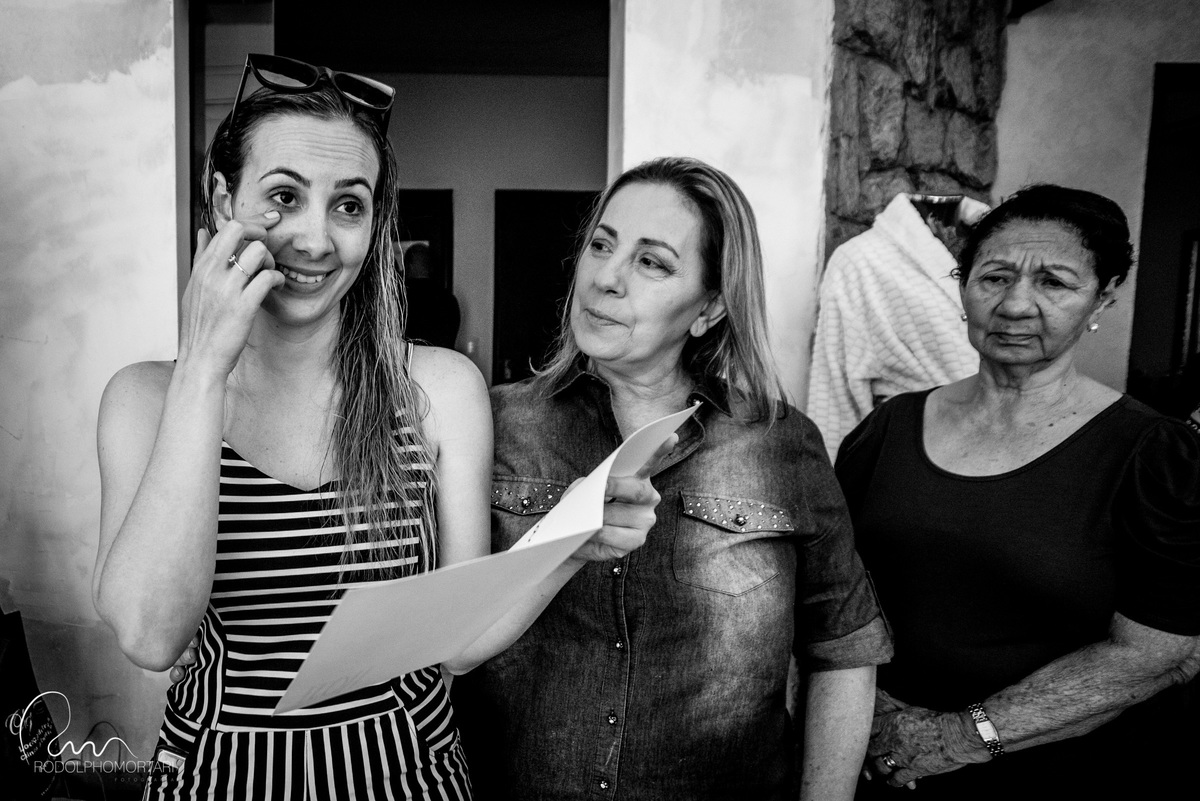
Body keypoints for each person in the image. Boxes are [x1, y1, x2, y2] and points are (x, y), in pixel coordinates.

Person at [92, 54, 661, 800]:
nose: (316, 240)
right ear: (223, 200)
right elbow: (150, 635)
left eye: (348, 206)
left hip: (409, 772)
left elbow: (456, 644)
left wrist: (574, 540)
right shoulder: (145, 399)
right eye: (284, 196)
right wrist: (203, 364)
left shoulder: (439, 389)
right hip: (218, 774)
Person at [451, 157, 893, 800]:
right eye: (601, 246)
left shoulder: (780, 442)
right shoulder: (493, 422)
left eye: (652, 262)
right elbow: (440, 636)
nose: (606, 278)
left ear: (709, 307)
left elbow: (844, 647)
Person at [834, 184, 1200, 798]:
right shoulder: (889, 427)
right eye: (994, 277)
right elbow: (829, 589)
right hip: (880, 756)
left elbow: (1153, 653)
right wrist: (866, 710)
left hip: (1062, 772)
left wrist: (955, 738)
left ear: (1103, 297)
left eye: (1054, 283)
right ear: (963, 287)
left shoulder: (1155, 455)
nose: (1015, 305)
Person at [807, 193, 988, 462]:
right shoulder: (860, 261)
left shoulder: (1007, 247)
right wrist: (829, 477)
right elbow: (834, 391)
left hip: (1018, 445)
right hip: (913, 453)